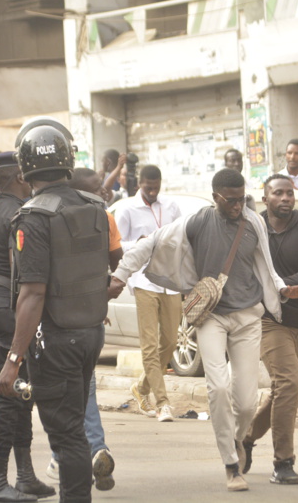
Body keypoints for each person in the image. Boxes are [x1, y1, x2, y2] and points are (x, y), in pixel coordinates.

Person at [109, 168, 298, 492]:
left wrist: (283, 290)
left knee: (246, 402)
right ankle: (231, 464)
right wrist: (121, 273)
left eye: (241, 199)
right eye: (231, 201)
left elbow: (266, 266)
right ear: (216, 196)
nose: (238, 206)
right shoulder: (198, 221)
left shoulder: (252, 222)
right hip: (211, 317)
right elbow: (152, 244)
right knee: (218, 387)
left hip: (248, 317)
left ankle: (238, 441)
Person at [0, 117, 110, 503]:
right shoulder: (95, 205)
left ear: (25, 169)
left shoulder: (33, 217)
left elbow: (31, 293)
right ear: (66, 161)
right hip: (91, 334)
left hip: (57, 341)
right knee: (74, 428)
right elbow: (107, 262)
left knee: (68, 436)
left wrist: (13, 359)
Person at [0, 152, 55, 503]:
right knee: (9, 392)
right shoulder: (20, 215)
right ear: (19, 176)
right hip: (9, 303)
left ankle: (26, 476)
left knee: (21, 390)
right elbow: (17, 270)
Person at [241, 174, 298, 485]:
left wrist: (273, 283)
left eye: (289, 193)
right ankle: (283, 461)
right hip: (267, 320)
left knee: (283, 390)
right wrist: (280, 289)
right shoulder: (252, 230)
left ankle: (246, 439)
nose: (286, 198)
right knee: (290, 384)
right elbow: (246, 274)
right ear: (266, 199)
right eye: (278, 193)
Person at [43, 167, 123, 492]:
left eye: (104, 191)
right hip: (88, 320)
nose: (104, 195)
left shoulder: (48, 216)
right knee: (81, 388)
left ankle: (65, 456)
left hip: (58, 320)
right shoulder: (103, 219)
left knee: (68, 392)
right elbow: (117, 264)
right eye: (98, 190)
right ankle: (90, 450)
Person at [114, 165, 182, 421]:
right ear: (138, 184)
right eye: (147, 187)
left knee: (171, 341)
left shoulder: (171, 206)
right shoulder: (126, 208)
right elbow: (117, 243)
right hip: (143, 281)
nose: (152, 192)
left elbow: (181, 236)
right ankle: (162, 403)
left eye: (156, 187)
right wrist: (140, 241)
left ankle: (141, 388)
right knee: (150, 345)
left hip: (170, 280)